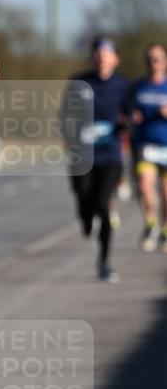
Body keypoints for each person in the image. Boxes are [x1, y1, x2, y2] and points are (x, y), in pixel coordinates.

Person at [64, 37, 130, 283]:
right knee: (84, 199)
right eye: (98, 53)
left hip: (110, 155)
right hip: (82, 156)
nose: (102, 58)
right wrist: (71, 141)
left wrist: (128, 124)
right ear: (93, 58)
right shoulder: (79, 82)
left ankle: (104, 262)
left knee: (104, 205)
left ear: (116, 58)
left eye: (107, 53)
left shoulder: (123, 85)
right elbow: (65, 115)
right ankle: (85, 219)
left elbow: (131, 112)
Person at [128, 44, 167, 252]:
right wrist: (132, 117)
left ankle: (166, 230)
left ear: (165, 62)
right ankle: (150, 223)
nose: (154, 63)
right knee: (144, 185)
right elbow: (127, 109)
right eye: (150, 59)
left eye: (158, 58)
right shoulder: (138, 87)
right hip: (146, 145)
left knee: (166, 193)